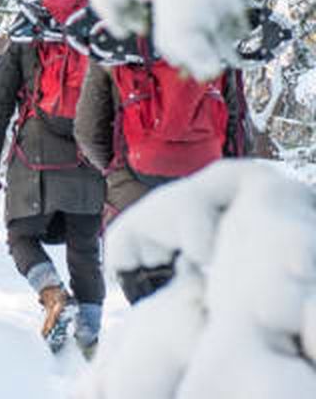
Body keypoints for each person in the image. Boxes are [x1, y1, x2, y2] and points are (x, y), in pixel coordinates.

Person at [0, 0, 105, 358]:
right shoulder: (99, 36)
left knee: (21, 237)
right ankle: (90, 339)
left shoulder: (28, 35)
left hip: (35, 159)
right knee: (84, 248)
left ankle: (53, 294)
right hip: (88, 158)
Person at [74, 48, 246, 304]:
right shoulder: (213, 40)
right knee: (198, 303)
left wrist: (116, 169)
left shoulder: (113, 41)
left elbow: (88, 131)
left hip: (133, 197)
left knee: (147, 304)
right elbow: (237, 126)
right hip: (201, 195)